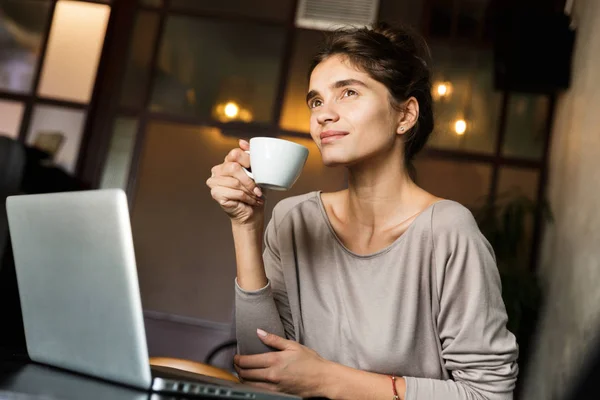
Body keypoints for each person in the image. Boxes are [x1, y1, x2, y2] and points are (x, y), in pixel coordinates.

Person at [206, 22, 518, 400]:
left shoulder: (448, 231)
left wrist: (327, 380)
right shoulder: (293, 220)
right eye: (316, 101)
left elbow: (487, 394)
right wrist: (245, 225)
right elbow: (262, 375)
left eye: (349, 92)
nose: (323, 115)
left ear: (405, 116)